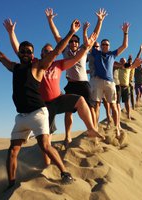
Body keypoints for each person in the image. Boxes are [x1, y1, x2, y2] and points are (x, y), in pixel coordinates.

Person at [0, 19, 81, 188]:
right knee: (12, 151)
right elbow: (1, 58)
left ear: (32, 54)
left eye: (28, 51)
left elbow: (57, 50)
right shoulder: (15, 67)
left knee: (45, 145)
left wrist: (71, 33)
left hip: (38, 112)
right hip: (21, 116)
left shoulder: (39, 66)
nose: (25, 53)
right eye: (22, 51)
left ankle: (64, 172)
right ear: (20, 52)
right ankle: (11, 185)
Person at [3, 19, 104, 166]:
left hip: (58, 99)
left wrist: (86, 46)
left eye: (50, 51)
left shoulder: (58, 64)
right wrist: (11, 33)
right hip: (43, 107)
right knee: (46, 140)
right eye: (45, 51)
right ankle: (47, 166)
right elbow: (19, 50)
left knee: (80, 100)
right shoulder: (35, 64)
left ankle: (91, 129)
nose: (48, 53)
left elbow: (76, 58)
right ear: (41, 54)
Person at [45, 8, 107, 147]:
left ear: (78, 44)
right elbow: (56, 35)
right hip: (71, 84)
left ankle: (93, 131)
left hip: (84, 84)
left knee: (91, 109)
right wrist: (50, 20)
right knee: (68, 112)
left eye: (75, 42)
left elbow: (94, 36)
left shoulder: (82, 51)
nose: (73, 43)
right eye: (71, 41)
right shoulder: (65, 50)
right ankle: (68, 136)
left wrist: (100, 20)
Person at [91, 22, 130, 139]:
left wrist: (125, 32)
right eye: (103, 44)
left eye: (106, 44)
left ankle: (117, 127)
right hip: (97, 81)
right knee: (97, 105)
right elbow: (93, 37)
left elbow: (125, 46)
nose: (104, 46)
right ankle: (95, 128)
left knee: (113, 105)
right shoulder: (95, 53)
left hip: (110, 82)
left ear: (109, 46)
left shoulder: (112, 55)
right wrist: (99, 21)